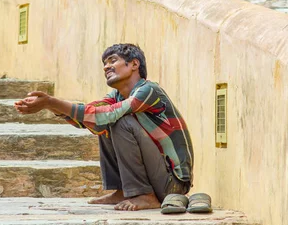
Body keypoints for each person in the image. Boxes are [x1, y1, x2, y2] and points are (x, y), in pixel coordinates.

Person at [14, 43, 194, 211]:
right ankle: (123, 191)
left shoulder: (148, 90)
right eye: (104, 63)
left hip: (173, 184)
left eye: (113, 60)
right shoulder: (116, 96)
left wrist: (52, 101)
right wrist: (49, 105)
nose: (106, 67)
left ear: (134, 64)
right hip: (158, 177)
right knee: (103, 121)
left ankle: (144, 195)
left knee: (119, 121)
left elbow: (108, 114)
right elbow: (89, 115)